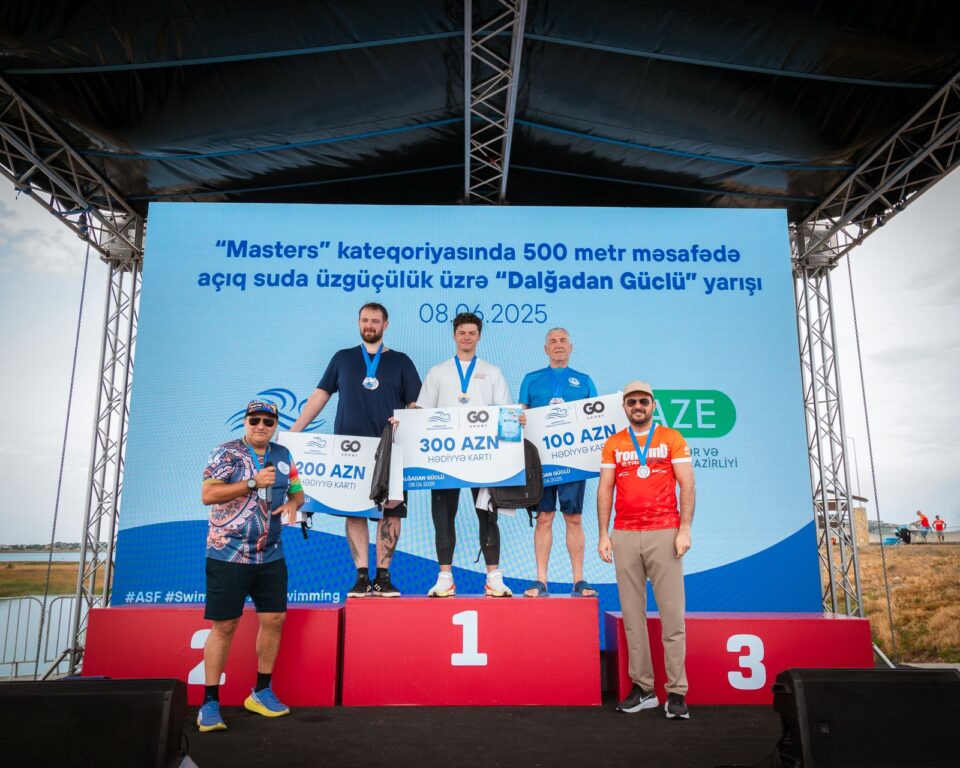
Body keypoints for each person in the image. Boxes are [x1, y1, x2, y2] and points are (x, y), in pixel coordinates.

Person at [290, 302, 421, 597]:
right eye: (364, 320)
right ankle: (362, 576)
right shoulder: (343, 358)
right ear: (359, 323)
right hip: (349, 450)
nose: (369, 325)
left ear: (386, 325)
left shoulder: (401, 361)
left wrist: (409, 418)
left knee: (391, 513)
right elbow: (320, 395)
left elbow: (414, 403)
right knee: (354, 511)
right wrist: (294, 434)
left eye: (375, 320)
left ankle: (383, 577)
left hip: (390, 449)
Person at [197, 400, 304, 732]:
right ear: (245, 422)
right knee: (225, 626)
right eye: (254, 420)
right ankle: (209, 702)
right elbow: (208, 495)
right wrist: (253, 483)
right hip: (228, 554)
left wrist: (292, 503)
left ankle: (260, 692)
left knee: (274, 620)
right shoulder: (225, 452)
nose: (261, 426)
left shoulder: (283, 455)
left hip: (271, 555)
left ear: (275, 425)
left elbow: (298, 492)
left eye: (268, 421)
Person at [597, 381, 695, 720]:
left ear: (653, 405)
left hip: (664, 531)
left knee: (672, 617)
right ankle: (644, 689)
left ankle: (677, 692)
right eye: (631, 402)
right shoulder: (614, 443)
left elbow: (687, 484)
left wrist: (684, 529)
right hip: (624, 534)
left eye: (643, 401)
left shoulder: (671, 438)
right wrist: (603, 534)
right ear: (624, 407)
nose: (637, 406)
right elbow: (605, 488)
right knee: (632, 617)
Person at [417, 312, 516, 598]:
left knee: (487, 514)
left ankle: (494, 578)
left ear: (479, 336)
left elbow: (505, 412)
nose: (467, 337)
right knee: (443, 516)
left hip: (482, 457)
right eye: (462, 332)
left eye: (472, 333)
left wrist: (516, 419)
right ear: (454, 335)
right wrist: (408, 419)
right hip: (445, 458)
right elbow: (422, 412)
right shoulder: (438, 372)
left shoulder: (492, 371)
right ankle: (445, 578)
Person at [519, 327, 599, 597]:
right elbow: (521, 416)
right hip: (541, 462)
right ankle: (541, 580)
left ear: (571, 347)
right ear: (545, 349)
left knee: (573, 518)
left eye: (563, 340)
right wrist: (520, 419)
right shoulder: (531, 380)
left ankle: (579, 580)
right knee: (544, 517)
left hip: (573, 461)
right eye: (552, 341)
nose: (558, 344)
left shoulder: (584, 381)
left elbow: (596, 418)